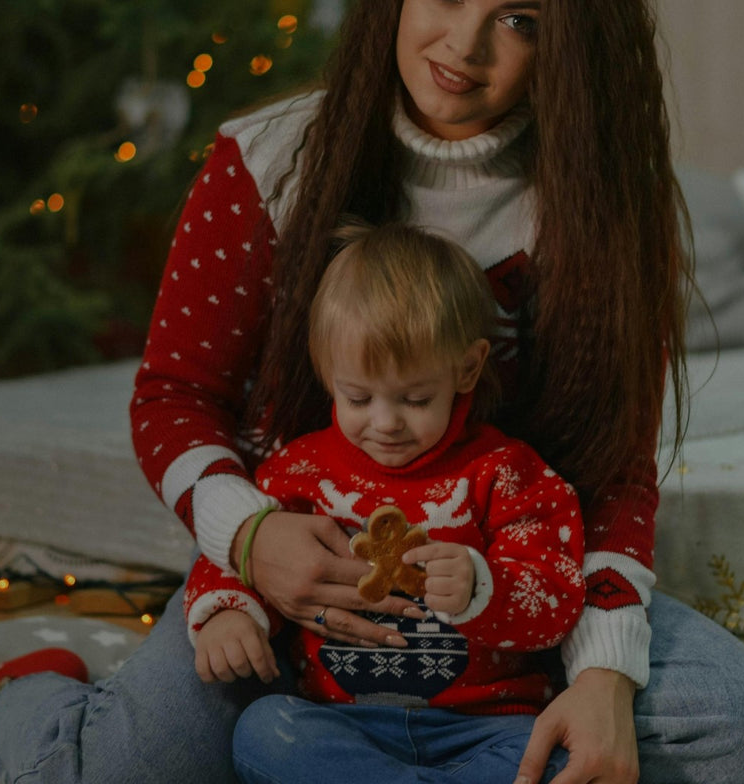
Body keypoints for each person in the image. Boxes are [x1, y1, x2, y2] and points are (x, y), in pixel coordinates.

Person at [0, 0, 744, 784]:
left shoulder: (608, 199)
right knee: (122, 770)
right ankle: (33, 690)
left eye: (520, 22)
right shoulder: (267, 161)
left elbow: (615, 469)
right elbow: (174, 395)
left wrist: (607, 668)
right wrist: (252, 539)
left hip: (521, 597)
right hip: (300, 590)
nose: (464, 47)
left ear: (571, 43)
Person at [183, 221, 584, 782]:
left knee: (562, 757)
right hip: (345, 725)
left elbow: (559, 599)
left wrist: (482, 585)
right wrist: (228, 612)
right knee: (264, 731)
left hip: (490, 725)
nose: (386, 422)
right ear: (327, 372)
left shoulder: (505, 473)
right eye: (358, 396)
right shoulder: (298, 472)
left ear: (467, 368)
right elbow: (232, 559)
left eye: (416, 398)